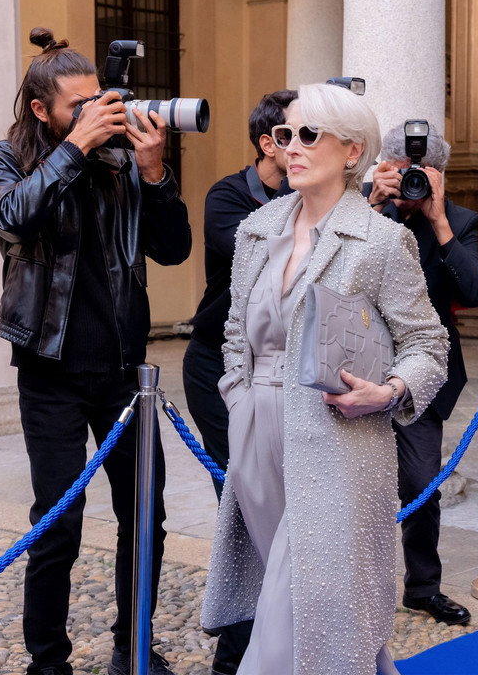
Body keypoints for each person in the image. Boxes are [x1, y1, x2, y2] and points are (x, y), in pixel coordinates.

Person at [199, 83, 448, 675]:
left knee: (297, 606)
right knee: (321, 610)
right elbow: (235, 330)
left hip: (337, 440)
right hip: (256, 434)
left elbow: (428, 344)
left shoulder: (383, 241)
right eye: (286, 134)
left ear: (352, 150)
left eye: (310, 135)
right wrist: (239, 398)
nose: (292, 147)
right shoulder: (257, 229)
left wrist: (388, 392)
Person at [0, 28, 191, 675]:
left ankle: (133, 647)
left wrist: (155, 173)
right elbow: (14, 219)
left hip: (124, 371)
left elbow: (173, 249)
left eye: (99, 99)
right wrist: (75, 148)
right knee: (58, 523)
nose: (97, 112)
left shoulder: (121, 160)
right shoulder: (0, 160)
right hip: (51, 370)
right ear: (43, 110)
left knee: (144, 516)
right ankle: (48, 662)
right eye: (79, 106)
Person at [182, 88, 296, 675]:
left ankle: (284, 636)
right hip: (221, 368)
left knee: (286, 506)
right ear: (268, 143)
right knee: (247, 501)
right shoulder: (229, 196)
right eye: (298, 134)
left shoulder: (322, 200)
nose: (308, 146)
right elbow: (257, 250)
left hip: (289, 372)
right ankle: (237, 656)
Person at [365, 122, 478, 626]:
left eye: (422, 174)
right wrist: (372, 205)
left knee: (420, 484)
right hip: (361, 365)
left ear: (440, 176)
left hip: (424, 374)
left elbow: (475, 292)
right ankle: (356, 586)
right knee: (357, 486)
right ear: (384, 169)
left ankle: (423, 588)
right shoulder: (363, 209)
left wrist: (439, 223)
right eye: (401, 172)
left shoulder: (458, 220)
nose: (410, 183)